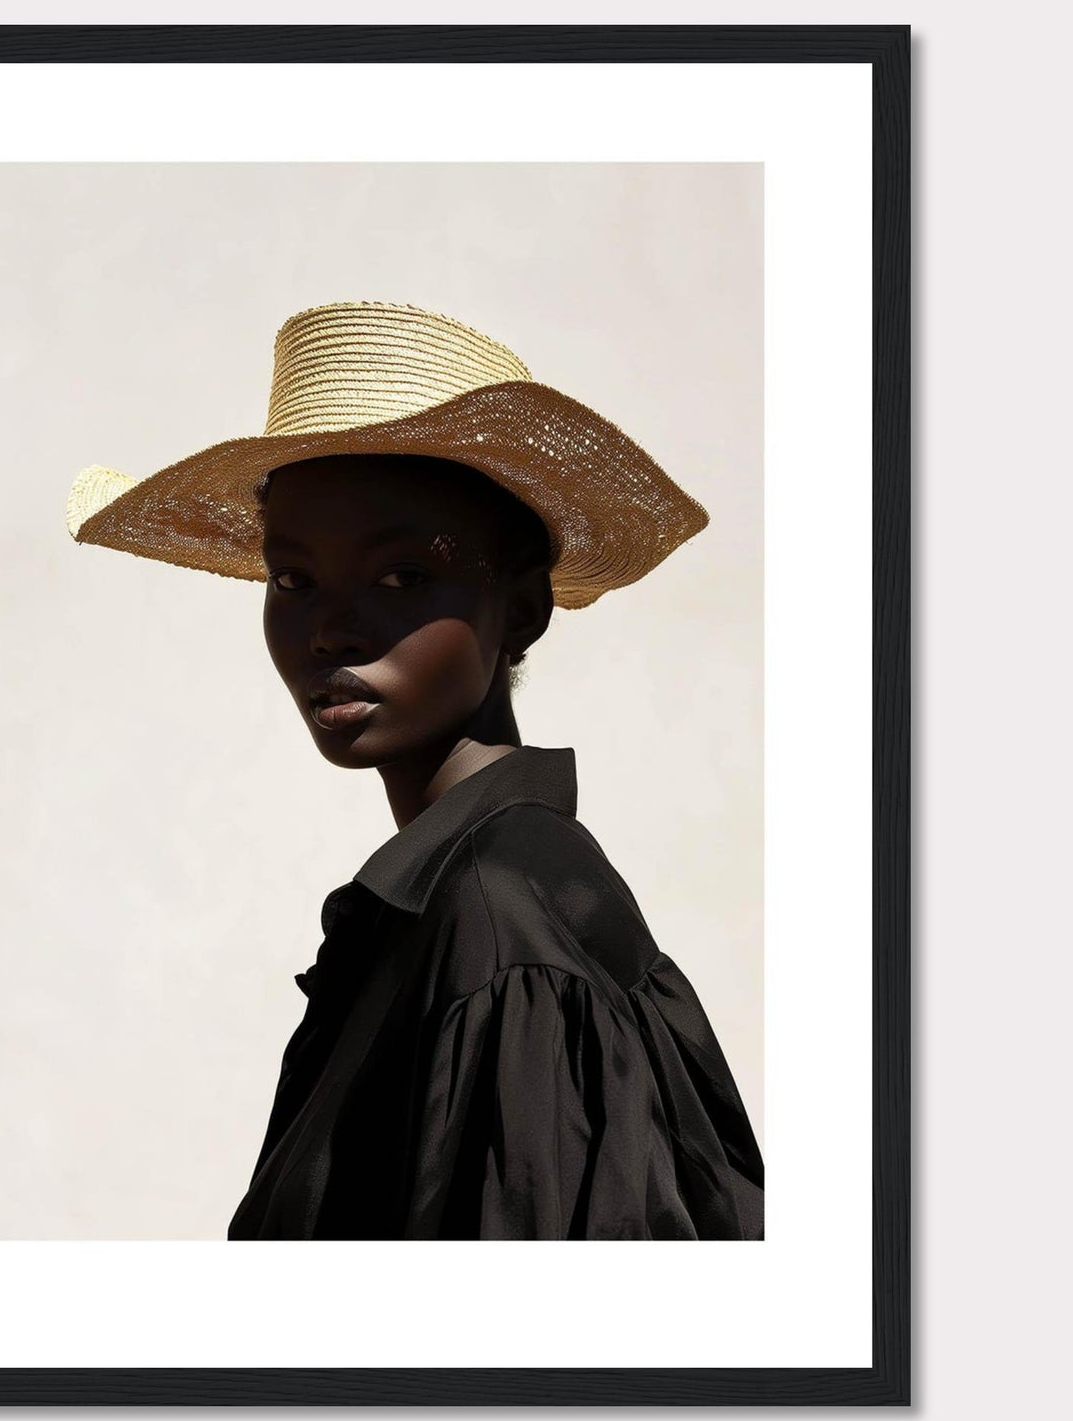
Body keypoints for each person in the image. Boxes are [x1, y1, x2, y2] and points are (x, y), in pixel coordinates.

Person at [66, 300, 764, 1239]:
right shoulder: (456, 901)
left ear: (520, 610)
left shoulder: (501, 919)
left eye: (399, 577)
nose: (330, 629)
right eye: (291, 579)